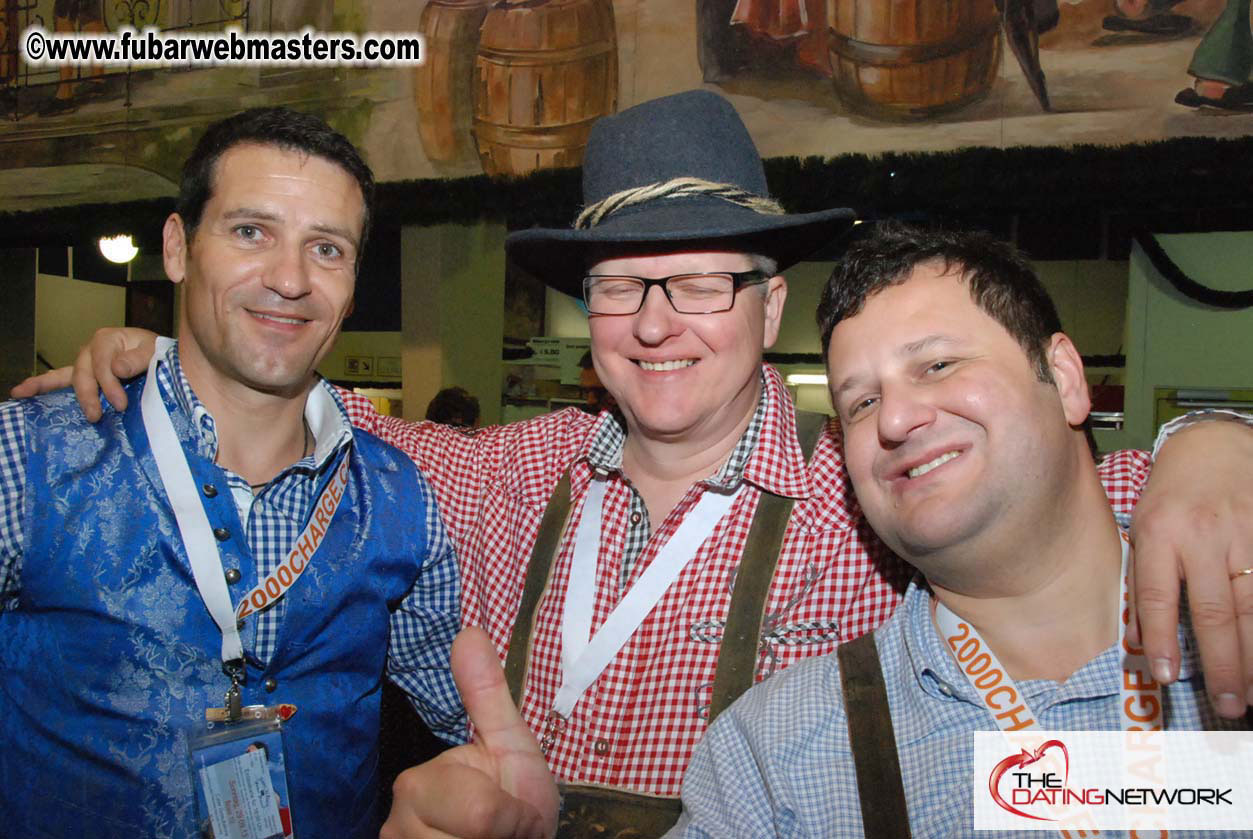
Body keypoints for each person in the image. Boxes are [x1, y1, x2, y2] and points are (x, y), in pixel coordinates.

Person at [18, 90, 1253, 839]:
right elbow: (281, 404)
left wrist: (1218, 443)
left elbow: (1070, 490)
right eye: (619, 290)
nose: (657, 321)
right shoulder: (493, 476)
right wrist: (165, 351)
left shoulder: (873, 484)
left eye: (702, 280)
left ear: (769, 309)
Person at [668, 223, 1249, 838]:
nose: (893, 418)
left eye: (938, 364)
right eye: (860, 403)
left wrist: (1215, 435)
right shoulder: (775, 753)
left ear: (1067, 379)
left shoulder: (1232, 608)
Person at [0, 107, 464, 838]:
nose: (289, 278)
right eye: (251, 232)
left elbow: (462, 713)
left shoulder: (401, 494)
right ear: (179, 248)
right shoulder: (30, 455)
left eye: (327, 248)